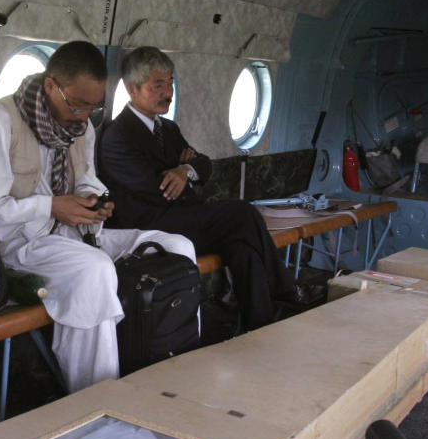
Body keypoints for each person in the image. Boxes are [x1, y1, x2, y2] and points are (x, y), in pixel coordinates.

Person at [0, 41, 195, 393]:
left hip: (72, 236)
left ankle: (168, 369)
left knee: (176, 246)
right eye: (78, 104)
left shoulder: (81, 127)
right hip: (15, 248)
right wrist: (51, 206)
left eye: (94, 106)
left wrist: (93, 201)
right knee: (94, 270)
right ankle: (94, 395)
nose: (85, 116)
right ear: (51, 84)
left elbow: (85, 178)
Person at [98, 46, 323, 330]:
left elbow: (204, 165)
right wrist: (180, 176)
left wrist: (184, 170)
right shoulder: (118, 137)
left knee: (242, 246)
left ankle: (260, 325)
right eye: (158, 86)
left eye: (170, 83)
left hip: (185, 216)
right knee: (241, 212)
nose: (167, 92)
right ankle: (286, 291)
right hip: (151, 225)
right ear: (132, 89)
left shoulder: (167, 129)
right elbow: (159, 190)